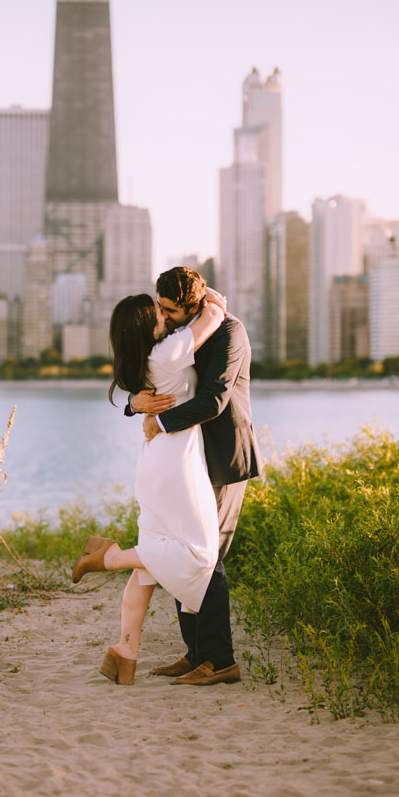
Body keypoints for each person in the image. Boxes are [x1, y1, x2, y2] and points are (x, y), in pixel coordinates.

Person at [70, 286, 228, 685]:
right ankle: (107, 557)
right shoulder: (170, 350)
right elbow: (215, 314)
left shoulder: (141, 362)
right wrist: (202, 290)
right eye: (157, 311)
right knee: (199, 552)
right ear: (148, 324)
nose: (164, 313)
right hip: (176, 465)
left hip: (154, 463)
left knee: (147, 572)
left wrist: (137, 405)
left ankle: (126, 654)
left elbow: (135, 398)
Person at [129, 266, 260, 686]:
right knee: (185, 549)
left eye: (170, 311)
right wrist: (135, 404)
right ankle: (195, 654)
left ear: (192, 306)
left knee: (209, 557)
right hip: (190, 458)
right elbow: (150, 372)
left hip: (222, 455)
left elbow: (214, 400)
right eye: (161, 311)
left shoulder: (229, 333)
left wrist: (160, 423)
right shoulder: (178, 330)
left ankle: (220, 662)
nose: (164, 318)